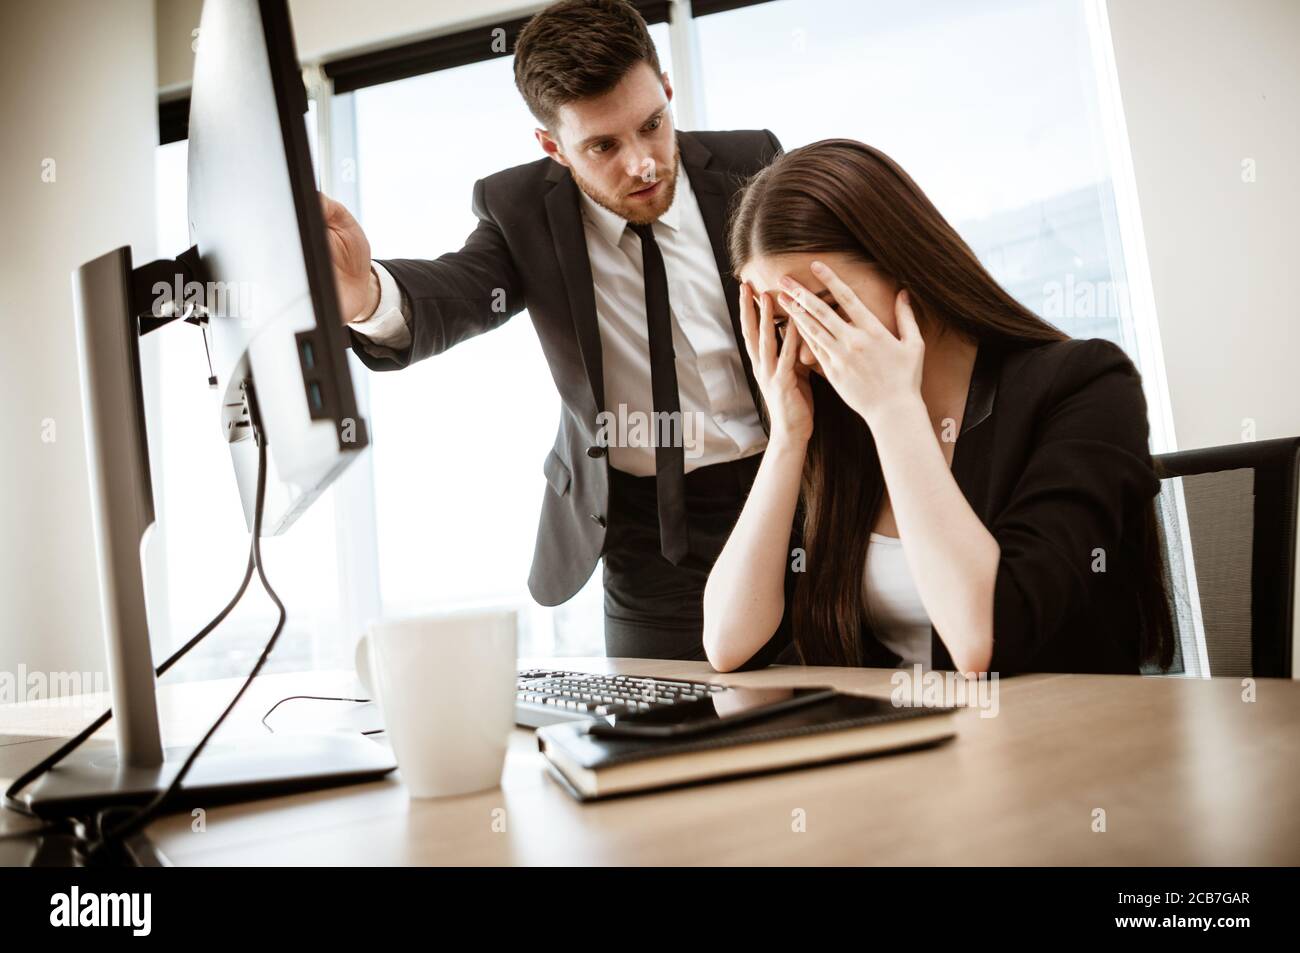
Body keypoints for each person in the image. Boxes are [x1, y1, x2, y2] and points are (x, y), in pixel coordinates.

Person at [322, 0, 784, 660]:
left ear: (667, 91)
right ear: (553, 147)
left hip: (793, 496)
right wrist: (363, 295)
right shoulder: (520, 213)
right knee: (655, 743)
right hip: (650, 540)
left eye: (653, 125)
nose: (643, 164)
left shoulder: (754, 164)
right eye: (603, 146)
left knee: (842, 717)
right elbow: (459, 290)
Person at [703, 138, 1175, 675]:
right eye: (785, 324)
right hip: (899, 744)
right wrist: (787, 438)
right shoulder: (834, 421)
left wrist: (894, 413)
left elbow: (985, 642)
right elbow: (728, 641)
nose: (807, 350)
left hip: (1054, 741)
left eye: (826, 308)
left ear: (906, 266)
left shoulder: (1085, 385)